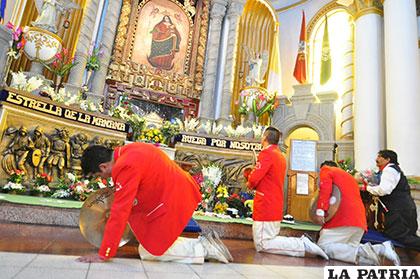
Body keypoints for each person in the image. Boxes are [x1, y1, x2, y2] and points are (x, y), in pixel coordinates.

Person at [77, 143, 232, 264]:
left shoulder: (124, 165)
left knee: (149, 251)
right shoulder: (129, 150)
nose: (104, 179)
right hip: (174, 193)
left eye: (100, 175)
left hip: (173, 199)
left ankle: (205, 249)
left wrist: (104, 253)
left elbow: (120, 210)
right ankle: (202, 243)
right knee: (150, 238)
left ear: (103, 166)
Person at [243, 127, 328, 260]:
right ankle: (301, 245)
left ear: (264, 138)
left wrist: (249, 182)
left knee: (262, 244)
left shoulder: (267, 153)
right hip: (274, 203)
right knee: (265, 242)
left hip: (266, 204)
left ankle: (301, 244)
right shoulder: (280, 155)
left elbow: (254, 178)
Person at [315, 160, 400, 265]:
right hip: (359, 221)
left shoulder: (326, 170)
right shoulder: (349, 177)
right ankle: (377, 254)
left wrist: (320, 211)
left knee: (323, 247)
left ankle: (379, 249)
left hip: (343, 219)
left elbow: (325, 189)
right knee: (351, 254)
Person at [363, 150, 420, 251]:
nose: (376, 159)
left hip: (399, 210)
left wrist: (367, 188)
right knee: (407, 236)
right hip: (404, 208)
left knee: (400, 236)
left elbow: (384, 190)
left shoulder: (390, 170)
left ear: (388, 159)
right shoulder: (392, 170)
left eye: (380, 157)